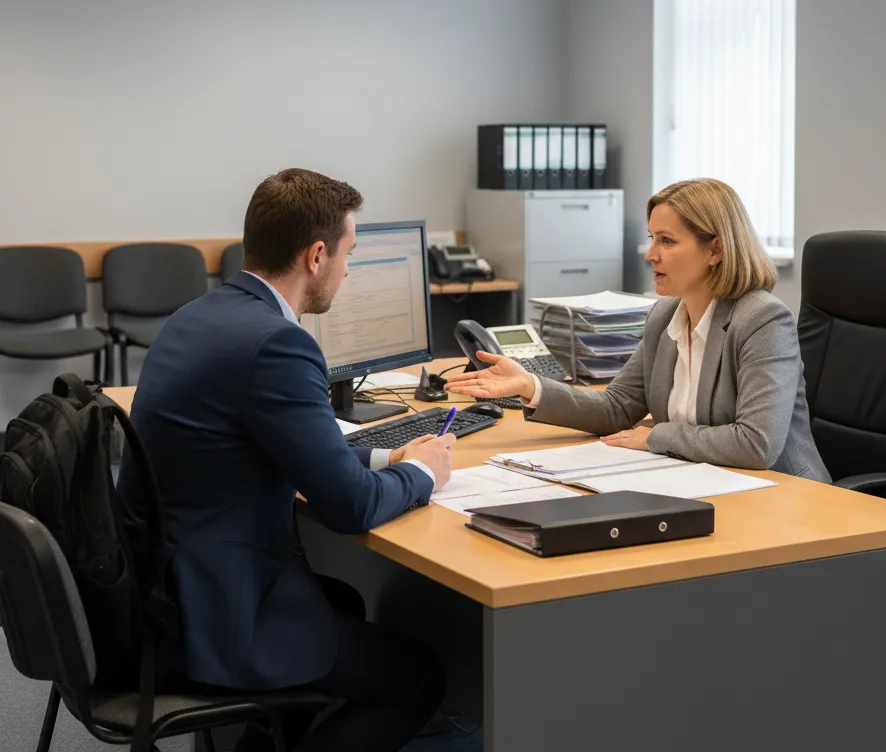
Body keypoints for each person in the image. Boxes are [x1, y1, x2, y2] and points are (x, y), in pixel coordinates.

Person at [116, 168, 454, 752]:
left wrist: (384, 455)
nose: (349, 271)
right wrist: (423, 471)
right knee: (418, 678)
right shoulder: (279, 343)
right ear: (317, 255)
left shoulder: (198, 315)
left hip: (158, 586)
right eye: (348, 254)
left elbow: (272, 442)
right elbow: (349, 507)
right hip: (213, 614)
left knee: (344, 601)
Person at [447, 178, 830, 482]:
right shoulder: (665, 316)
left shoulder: (761, 320)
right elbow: (615, 408)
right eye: (652, 238)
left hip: (786, 499)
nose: (650, 254)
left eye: (667, 241)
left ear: (715, 250)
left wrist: (654, 437)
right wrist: (530, 386)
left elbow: (756, 443)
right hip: (704, 483)